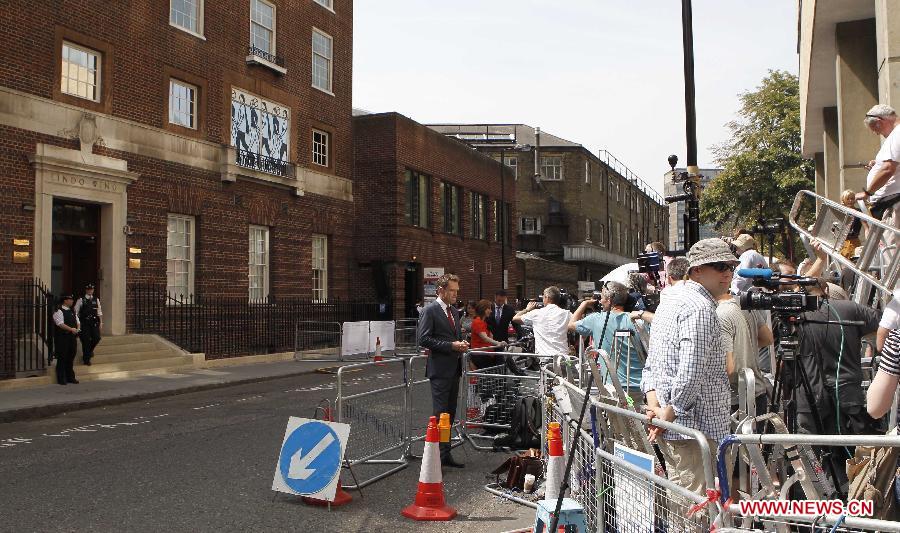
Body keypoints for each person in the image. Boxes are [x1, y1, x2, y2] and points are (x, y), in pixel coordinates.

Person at [640, 238, 734, 496]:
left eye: (730, 267)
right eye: (719, 266)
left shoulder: (669, 300)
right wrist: (668, 415)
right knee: (698, 509)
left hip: (677, 424)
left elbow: (653, 362)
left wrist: (657, 407)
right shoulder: (700, 307)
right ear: (697, 270)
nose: (727, 273)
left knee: (684, 505)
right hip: (696, 431)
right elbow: (690, 371)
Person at [794, 279, 880, 493]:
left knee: (817, 459)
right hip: (848, 394)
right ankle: (861, 500)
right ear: (825, 290)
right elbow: (884, 322)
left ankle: (825, 503)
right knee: (857, 457)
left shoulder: (795, 316)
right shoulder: (848, 308)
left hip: (810, 397)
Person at [416, 274, 469, 468]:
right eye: (452, 291)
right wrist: (451, 345)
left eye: (456, 290)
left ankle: (445, 454)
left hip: (454, 369)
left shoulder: (454, 311)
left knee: (450, 414)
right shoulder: (430, 311)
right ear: (441, 290)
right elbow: (423, 339)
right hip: (439, 370)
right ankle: (435, 458)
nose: (455, 294)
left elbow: (453, 336)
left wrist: (460, 344)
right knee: (440, 415)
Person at [569, 281, 643, 406]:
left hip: (614, 387)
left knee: (617, 424)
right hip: (640, 385)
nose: (600, 301)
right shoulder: (636, 319)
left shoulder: (595, 319)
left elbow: (570, 325)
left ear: (609, 300)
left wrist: (584, 304)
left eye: (602, 297)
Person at [715, 288, 772, 417]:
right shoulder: (744, 304)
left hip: (734, 399)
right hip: (755, 391)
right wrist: (745, 347)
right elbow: (767, 338)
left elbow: (728, 369)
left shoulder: (719, 313)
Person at [856, 104, 900, 253]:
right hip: (890, 204)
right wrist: (877, 166)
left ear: (880, 121)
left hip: (894, 206)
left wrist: (867, 192)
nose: (877, 134)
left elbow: (888, 169)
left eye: (876, 130)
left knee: (890, 255)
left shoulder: (897, 134)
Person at [512, 286, 572, 359]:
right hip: (563, 357)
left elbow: (515, 318)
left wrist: (527, 309)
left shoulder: (536, 313)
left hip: (545, 358)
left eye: (543, 296)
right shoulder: (567, 314)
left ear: (547, 297)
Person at [469, 299, 507, 368]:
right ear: (483, 309)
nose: (491, 311)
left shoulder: (484, 322)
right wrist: (499, 343)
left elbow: (489, 338)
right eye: (489, 308)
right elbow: (485, 338)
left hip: (485, 354)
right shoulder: (478, 321)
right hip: (481, 355)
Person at [52, 294, 80, 385]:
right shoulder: (59, 311)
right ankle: (61, 378)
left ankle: (70, 377)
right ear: (65, 301)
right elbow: (60, 324)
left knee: (71, 357)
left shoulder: (72, 311)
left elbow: (77, 321)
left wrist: (77, 328)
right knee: (62, 357)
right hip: (63, 338)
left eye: (72, 299)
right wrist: (71, 329)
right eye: (70, 299)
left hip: (72, 337)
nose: (72, 301)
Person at [74, 283, 103, 365]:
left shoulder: (96, 299)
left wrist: (101, 322)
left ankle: (89, 351)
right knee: (86, 340)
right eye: (89, 289)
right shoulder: (81, 299)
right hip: (84, 322)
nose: (90, 291)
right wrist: (77, 323)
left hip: (94, 322)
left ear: (93, 290)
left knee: (97, 338)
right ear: (86, 290)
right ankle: (86, 359)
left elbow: (99, 312)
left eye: (92, 289)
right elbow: (76, 312)